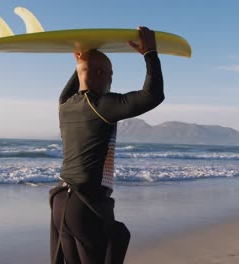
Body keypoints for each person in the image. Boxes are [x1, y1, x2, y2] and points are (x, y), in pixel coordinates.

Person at [49, 26, 164, 264]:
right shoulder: (101, 106)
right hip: (85, 206)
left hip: (61, 205)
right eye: (110, 74)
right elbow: (152, 95)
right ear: (102, 73)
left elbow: (82, 74)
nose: (112, 80)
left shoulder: (64, 104)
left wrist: (82, 58)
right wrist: (149, 53)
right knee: (115, 240)